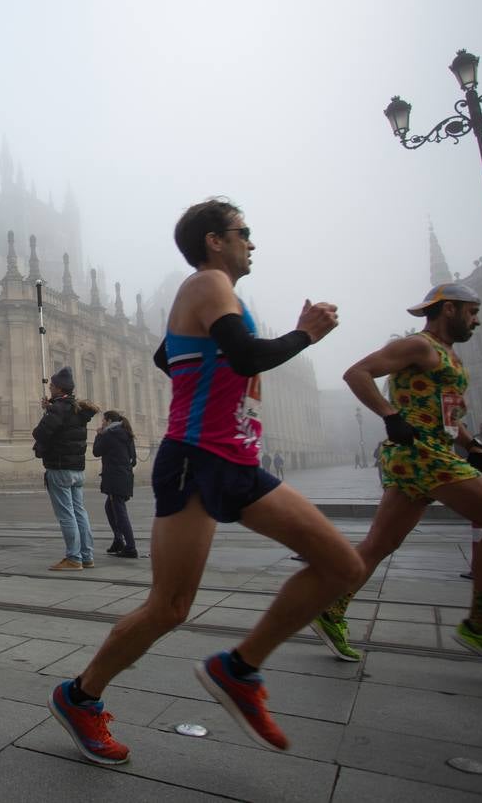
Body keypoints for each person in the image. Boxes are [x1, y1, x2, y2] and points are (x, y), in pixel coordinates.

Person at [49, 197, 360, 764]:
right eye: (244, 231)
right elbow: (244, 357)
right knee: (168, 608)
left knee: (343, 566)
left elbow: (171, 356)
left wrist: (205, 379)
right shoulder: (208, 284)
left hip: (232, 459)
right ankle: (80, 696)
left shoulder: (217, 295)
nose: (252, 242)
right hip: (197, 459)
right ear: (215, 240)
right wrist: (306, 334)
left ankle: (238, 670)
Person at [309, 283, 482, 679]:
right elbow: (356, 373)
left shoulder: (448, 356)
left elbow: (443, 411)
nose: (477, 319)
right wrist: (388, 415)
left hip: (428, 453)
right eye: (471, 311)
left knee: (380, 544)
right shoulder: (418, 345)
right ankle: (481, 626)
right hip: (423, 455)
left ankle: (330, 610)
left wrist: (472, 443)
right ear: (448, 309)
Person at [34, 367, 100, 570]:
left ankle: (73, 557)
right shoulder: (77, 410)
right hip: (77, 469)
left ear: (59, 387)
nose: (50, 388)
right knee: (80, 512)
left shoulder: (58, 409)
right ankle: (87, 555)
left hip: (60, 467)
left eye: (52, 385)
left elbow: (41, 433)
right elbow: (63, 425)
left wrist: (49, 412)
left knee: (66, 514)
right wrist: (51, 407)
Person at [93, 410, 138, 558]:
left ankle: (130, 547)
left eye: (103, 420)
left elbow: (96, 451)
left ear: (110, 421)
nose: (102, 423)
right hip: (125, 476)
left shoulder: (110, 434)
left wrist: (98, 435)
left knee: (119, 512)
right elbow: (134, 459)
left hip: (115, 478)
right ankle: (119, 540)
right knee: (110, 507)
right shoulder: (126, 433)